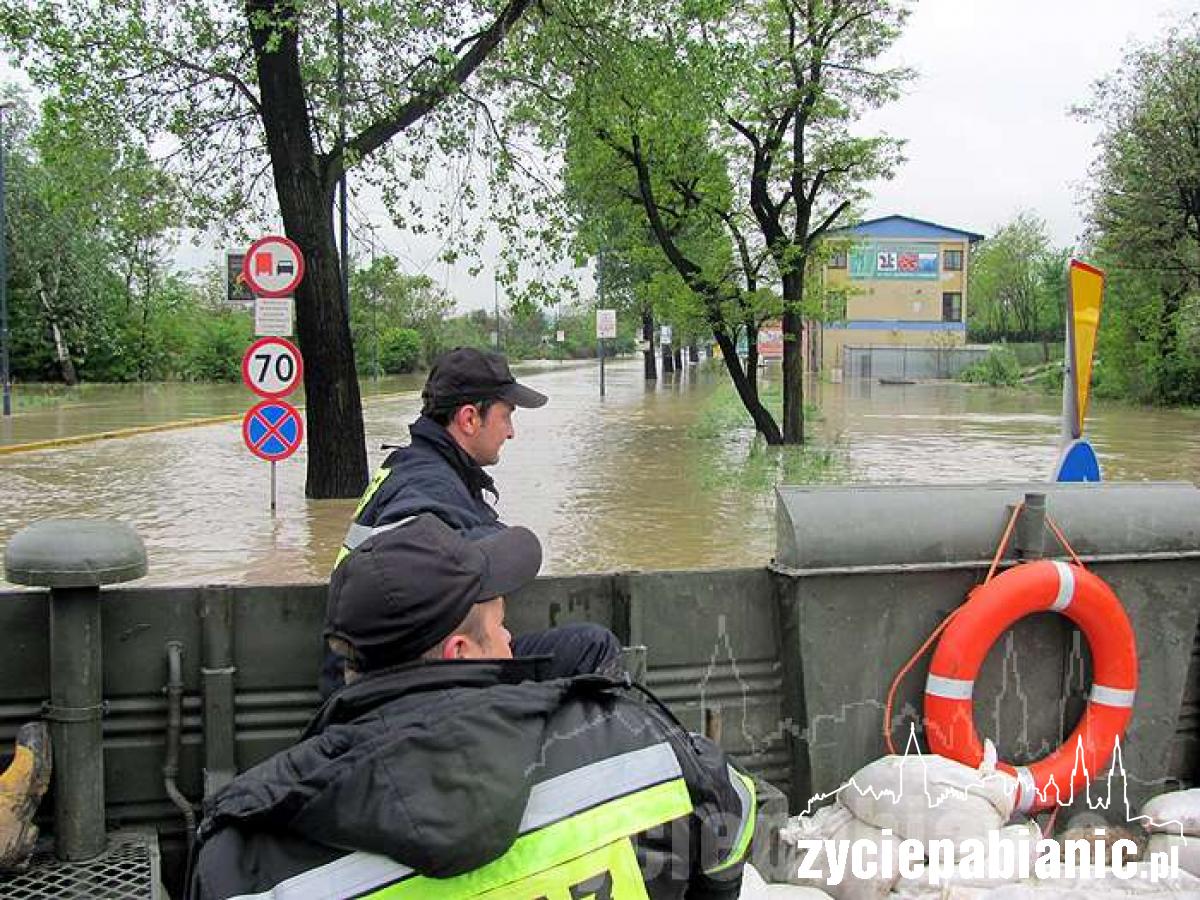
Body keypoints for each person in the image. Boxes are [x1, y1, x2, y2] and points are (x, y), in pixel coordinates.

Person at [192, 515, 755, 900]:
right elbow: (732, 818)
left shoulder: (238, 858)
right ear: (458, 652)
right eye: (501, 626)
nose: (512, 642)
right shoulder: (634, 741)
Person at [322, 346, 619, 696]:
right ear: (468, 419)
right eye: (506, 416)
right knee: (591, 647)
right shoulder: (427, 484)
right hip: (404, 685)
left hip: (375, 674)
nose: (511, 432)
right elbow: (413, 566)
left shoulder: (418, 467)